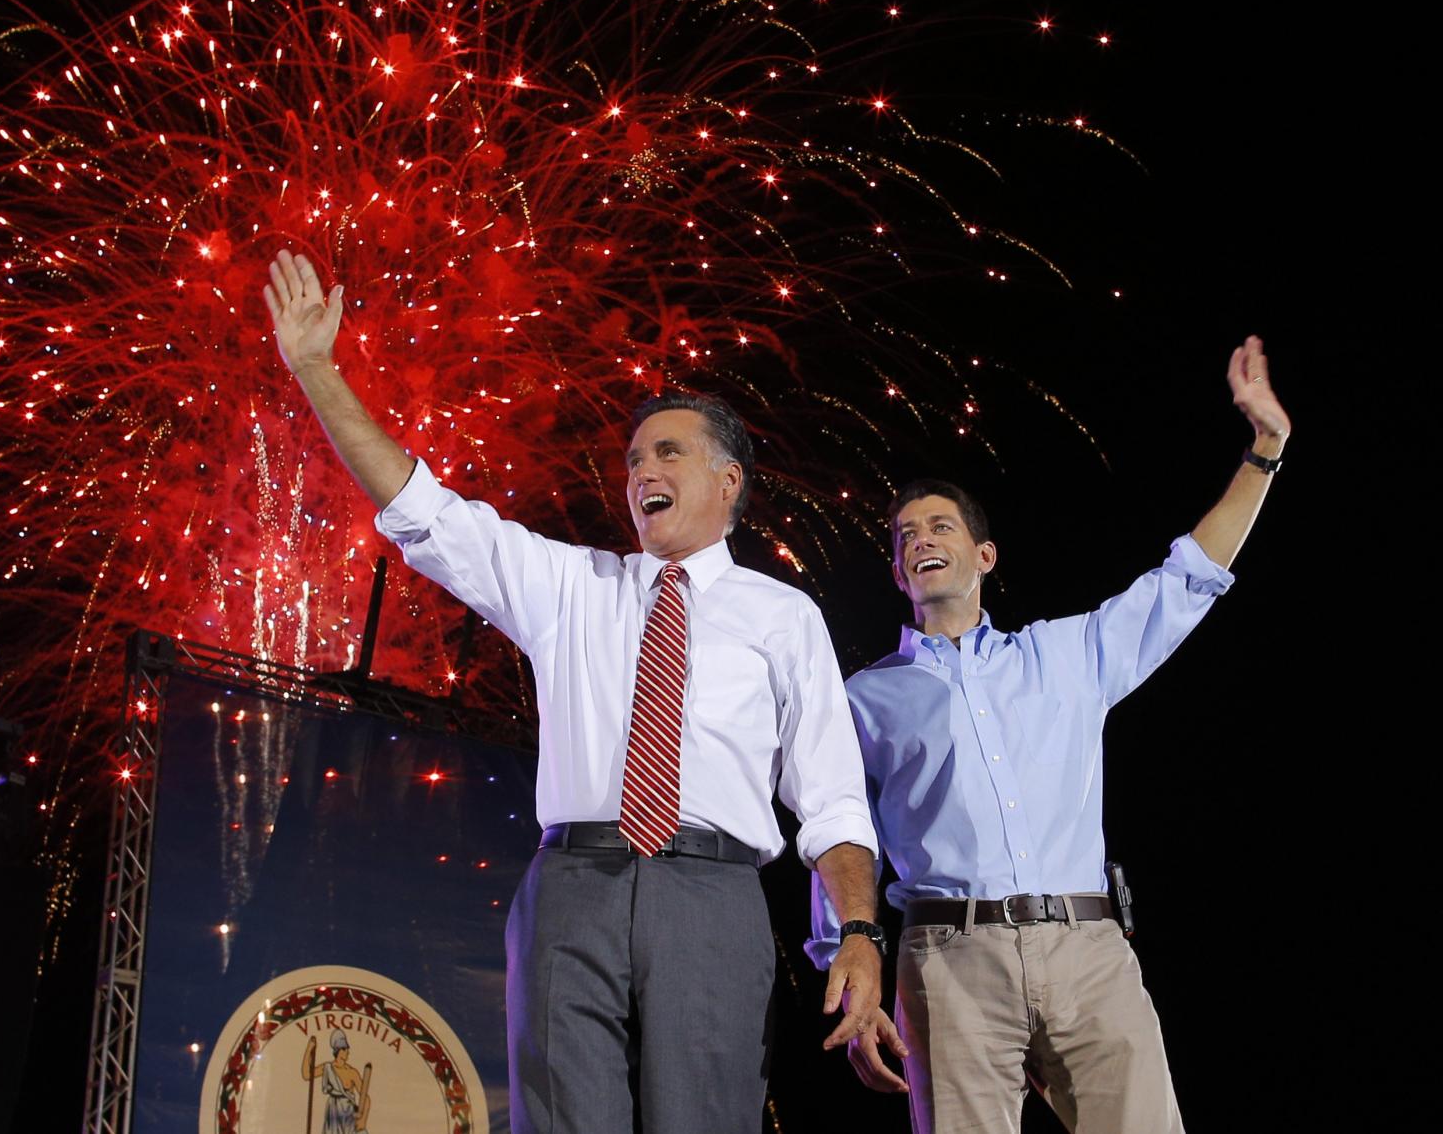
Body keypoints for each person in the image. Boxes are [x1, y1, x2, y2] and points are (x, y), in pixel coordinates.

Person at [262, 249, 886, 1134]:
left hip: (713, 900)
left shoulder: (783, 616)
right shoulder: (571, 585)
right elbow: (422, 508)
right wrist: (318, 372)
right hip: (573, 886)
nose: (641, 473)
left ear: (727, 482)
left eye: (668, 452)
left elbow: (831, 801)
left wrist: (858, 935)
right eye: (633, 459)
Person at [808, 337, 1290, 1132]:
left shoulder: (1066, 655)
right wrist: (843, 966)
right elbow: (837, 828)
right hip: (948, 963)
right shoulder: (863, 698)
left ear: (983, 554)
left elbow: (1189, 579)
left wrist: (1264, 450)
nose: (920, 539)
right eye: (904, 537)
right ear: (897, 573)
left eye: (939, 526)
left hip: (1087, 948)